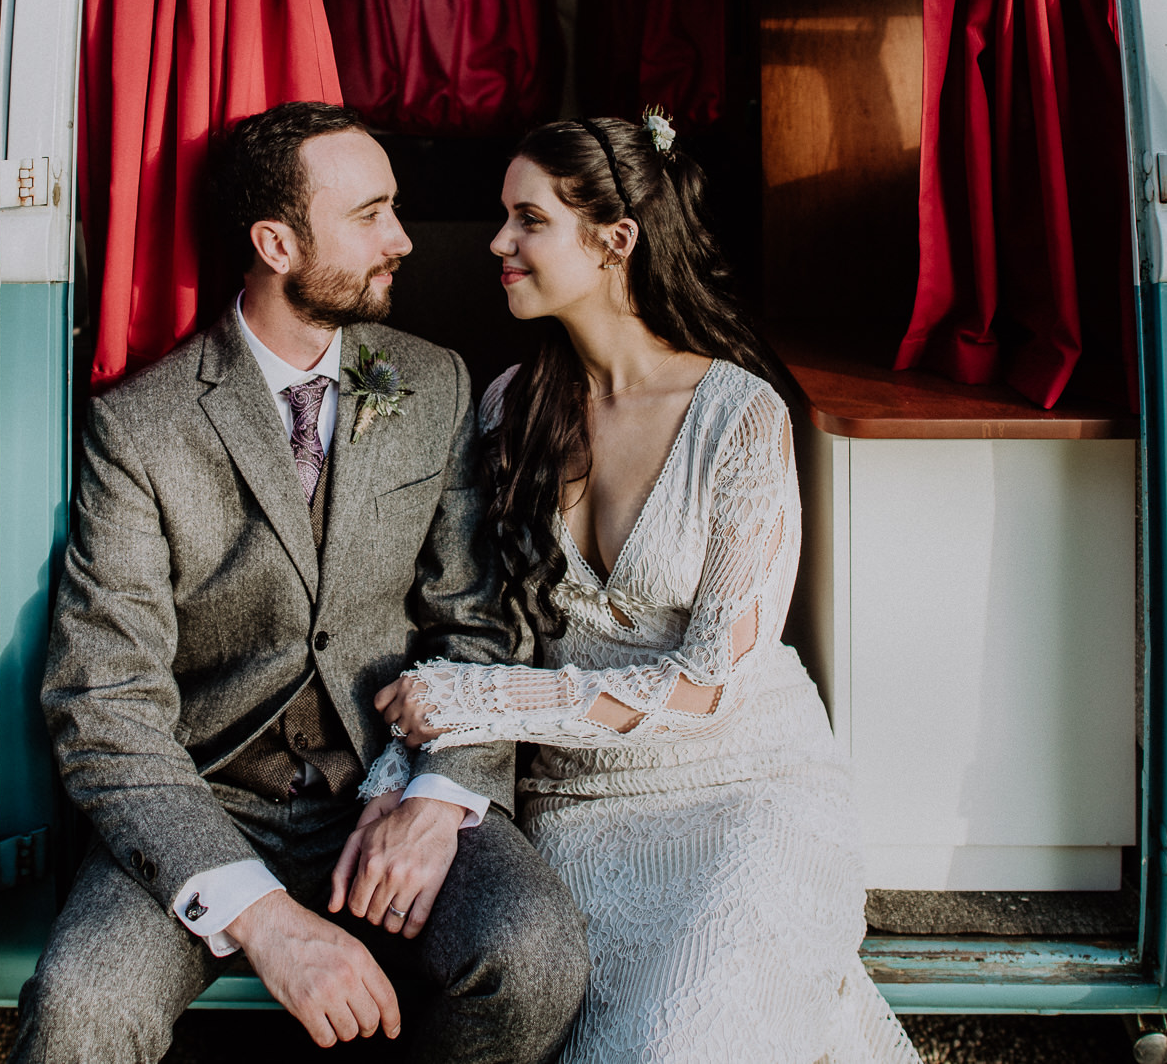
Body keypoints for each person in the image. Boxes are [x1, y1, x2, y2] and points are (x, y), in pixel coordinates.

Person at [13, 101, 589, 1064]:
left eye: (394, 209)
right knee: (80, 1010)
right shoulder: (140, 429)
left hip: (386, 782)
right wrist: (265, 919)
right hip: (202, 798)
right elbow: (104, 705)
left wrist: (435, 795)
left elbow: (478, 630)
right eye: (371, 215)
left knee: (532, 961)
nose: (403, 239)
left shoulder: (432, 381)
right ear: (276, 242)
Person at [373, 116, 923, 1063]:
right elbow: (474, 616)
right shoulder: (509, 406)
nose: (497, 243)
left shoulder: (740, 417)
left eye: (526, 219)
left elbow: (713, 682)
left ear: (614, 240)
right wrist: (406, 767)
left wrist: (478, 702)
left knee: (689, 1042)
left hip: (744, 787)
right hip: (578, 808)